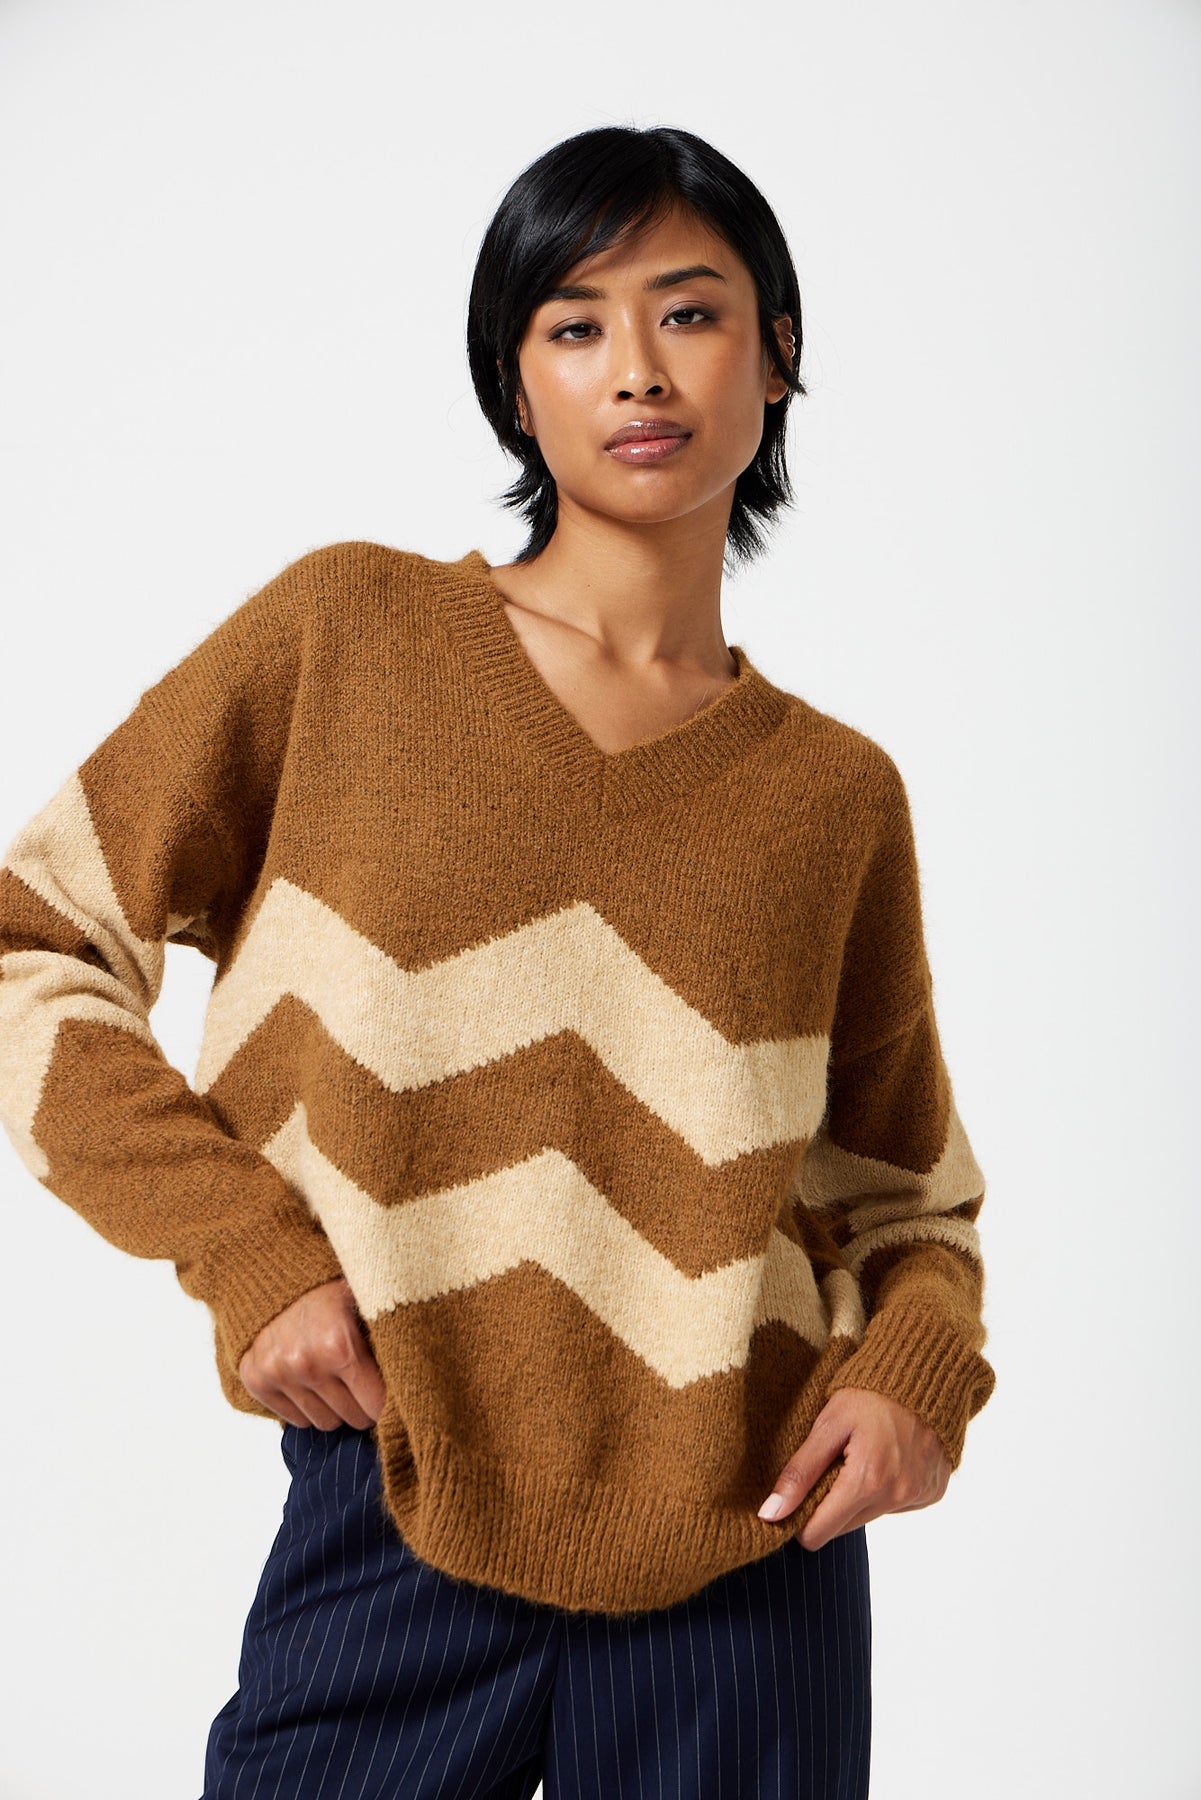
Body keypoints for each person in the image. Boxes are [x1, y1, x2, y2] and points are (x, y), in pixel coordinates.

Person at [0, 124, 995, 1798]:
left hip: (753, 1547)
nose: (638, 368)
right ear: (513, 384)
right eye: (573, 323)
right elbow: (30, 942)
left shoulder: (832, 796)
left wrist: (914, 1379)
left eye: (689, 312)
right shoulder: (346, 637)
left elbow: (908, 1204)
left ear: (775, 356)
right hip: (391, 1490)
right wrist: (246, 1253)